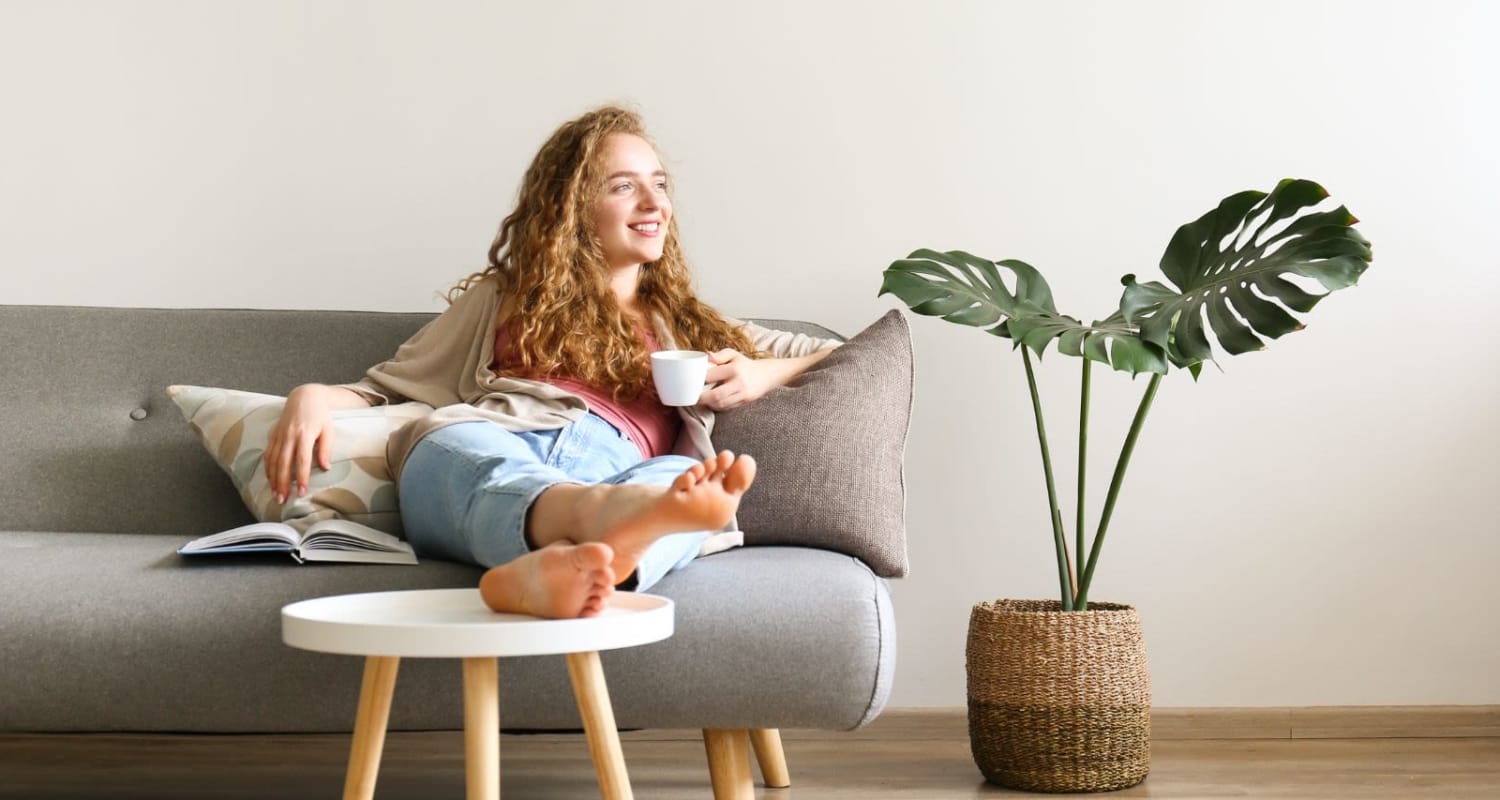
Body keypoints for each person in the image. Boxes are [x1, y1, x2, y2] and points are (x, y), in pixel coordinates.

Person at [263, 106, 840, 619]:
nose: (654, 203)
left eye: (658, 184)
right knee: (452, 450)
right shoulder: (505, 296)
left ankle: (556, 566)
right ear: (572, 205)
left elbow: (842, 353)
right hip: (497, 436)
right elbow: (382, 388)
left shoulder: (688, 321)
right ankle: (601, 523)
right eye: (624, 186)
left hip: (615, 463)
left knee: (677, 485)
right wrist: (309, 395)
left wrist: (760, 371)